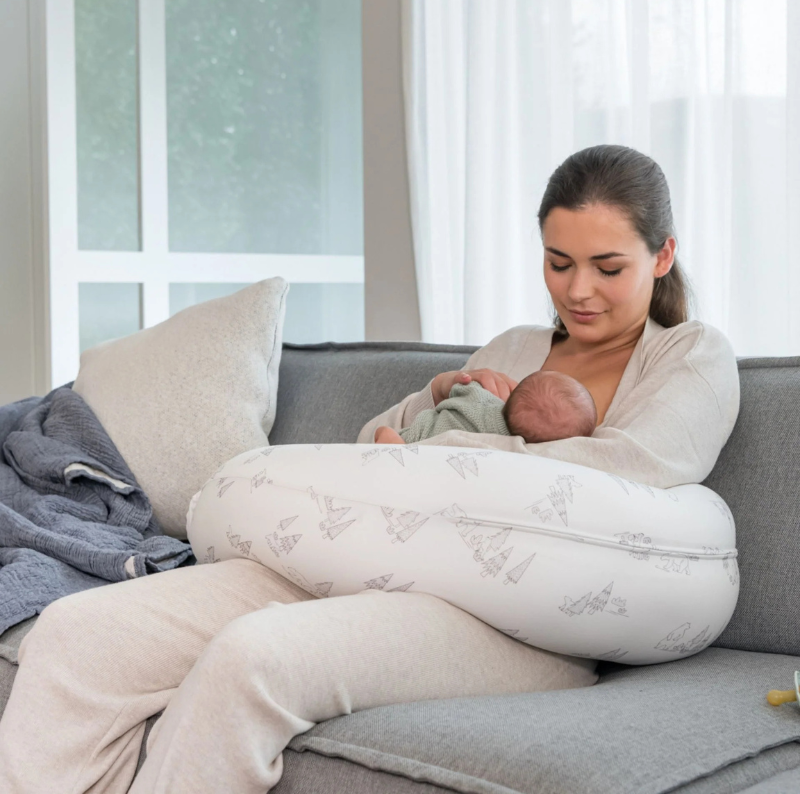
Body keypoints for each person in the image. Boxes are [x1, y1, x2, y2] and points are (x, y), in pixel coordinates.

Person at [0, 145, 741, 793]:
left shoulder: (690, 356)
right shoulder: (512, 351)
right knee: (77, 634)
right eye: (559, 263)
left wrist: (443, 458)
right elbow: (368, 456)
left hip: (518, 628)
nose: (578, 291)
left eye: (608, 267)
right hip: (386, 559)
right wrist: (436, 400)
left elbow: (634, 468)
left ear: (663, 256)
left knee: (253, 658)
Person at [374, 370, 597, 445]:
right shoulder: (510, 443)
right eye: (560, 265)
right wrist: (439, 385)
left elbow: (463, 389)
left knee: (390, 437)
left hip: (415, 438)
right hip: (420, 456)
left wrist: (462, 387)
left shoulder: (480, 397)